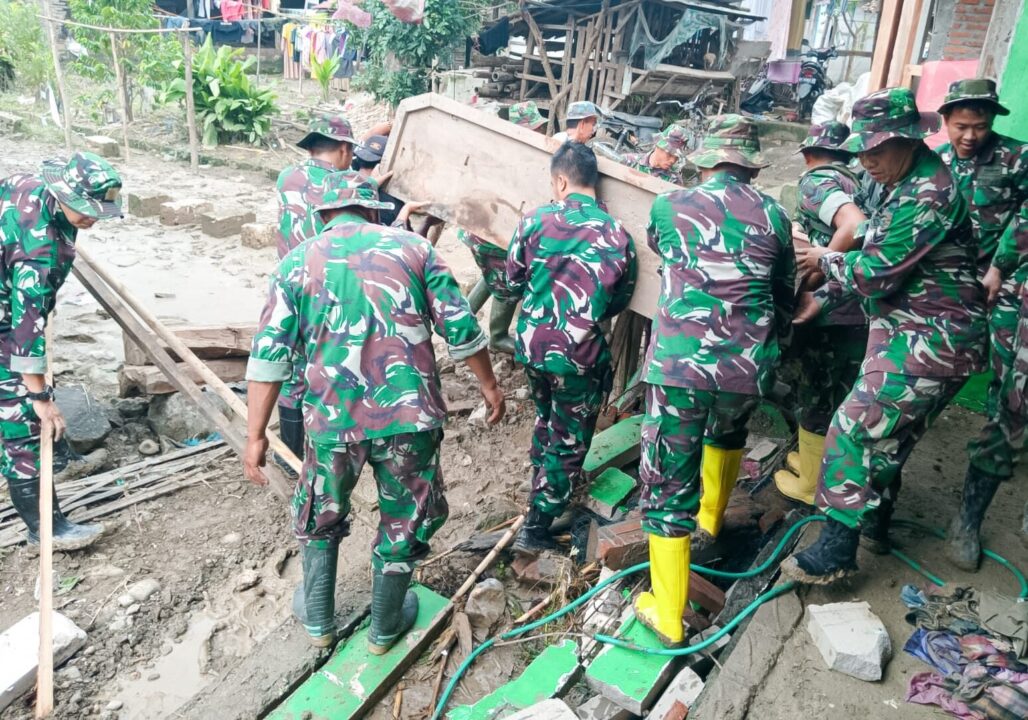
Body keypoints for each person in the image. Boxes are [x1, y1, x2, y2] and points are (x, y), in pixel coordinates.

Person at [243, 173, 505, 650]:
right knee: (407, 516)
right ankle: (384, 628)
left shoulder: (295, 263)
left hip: (331, 421)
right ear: (373, 209)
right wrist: (489, 386)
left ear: (321, 216)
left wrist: (256, 434)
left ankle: (320, 624)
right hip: (410, 418)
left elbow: (268, 358)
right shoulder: (416, 251)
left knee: (321, 512)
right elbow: (462, 329)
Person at [784, 88, 988, 585]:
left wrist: (822, 259)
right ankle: (871, 521)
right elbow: (876, 244)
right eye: (863, 151)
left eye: (877, 149)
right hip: (911, 327)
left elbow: (875, 273)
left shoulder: (927, 194)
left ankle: (835, 551)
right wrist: (824, 298)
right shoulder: (899, 182)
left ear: (909, 141)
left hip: (933, 338)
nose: (867, 160)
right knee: (889, 437)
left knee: (853, 427)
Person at [636, 115, 794, 646]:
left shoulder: (670, 204)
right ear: (749, 166)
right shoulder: (775, 214)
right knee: (726, 435)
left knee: (666, 482)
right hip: (745, 369)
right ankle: (711, 523)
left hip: (681, 366)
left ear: (705, 160)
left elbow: (661, 247)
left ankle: (666, 614)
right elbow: (783, 288)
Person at [506, 142, 637, 554]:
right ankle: (538, 525)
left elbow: (512, 280)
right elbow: (622, 298)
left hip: (532, 346)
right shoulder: (616, 233)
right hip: (579, 355)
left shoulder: (534, 220)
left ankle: (540, 479)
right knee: (568, 439)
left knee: (546, 419)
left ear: (560, 180)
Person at [0, 152, 123, 550]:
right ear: (62, 193)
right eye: (87, 209)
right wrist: (39, 398)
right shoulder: (40, 255)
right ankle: (45, 528)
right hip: (8, 317)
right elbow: (26, 329)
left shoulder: (27, 186)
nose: (94, 218)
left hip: (12, 288)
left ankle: (59, 459)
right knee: (20, 418)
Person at [933, 79, 1028, 571]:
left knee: (1013, 394)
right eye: (962, 126)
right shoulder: (934, 162)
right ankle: (879, 510)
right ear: (945, 121)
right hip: (951, 286)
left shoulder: (1018, 158)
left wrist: (1000, 267)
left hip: (1011, 285)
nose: (971, 135)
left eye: (981, 126)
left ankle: (968, 519)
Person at [774, 122, 869, 512]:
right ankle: (816, 463)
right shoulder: (858, 182)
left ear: (807, 154)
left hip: (831, 314)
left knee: (814, 391)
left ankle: (812, 483)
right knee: (835, 392)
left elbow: (854, 226)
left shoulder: (817, 182)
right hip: (856, 308)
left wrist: (816, 270)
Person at [273, 113, 359, 462]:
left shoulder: (286, 178)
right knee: (331, 362)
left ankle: (288, 455)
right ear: (341, 148)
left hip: (288, 280)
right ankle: (333, 444)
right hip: (328, 286)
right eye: (350, 151)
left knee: (292, 369)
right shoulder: (343, 184)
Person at [460, 100, 550, 354]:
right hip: (493, 237)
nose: (541, 134)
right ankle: (498, 337)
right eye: (536, 129)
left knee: (491, 277)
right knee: (506, 284)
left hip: (479, 232)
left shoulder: (503, 152)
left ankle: (464, 315)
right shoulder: (515, 160)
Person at [620, 126, 689, 185]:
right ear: (658, 146)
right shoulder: (629, 160)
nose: (673, 161)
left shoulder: (674, 179)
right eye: (670, 154)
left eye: (676, 158)